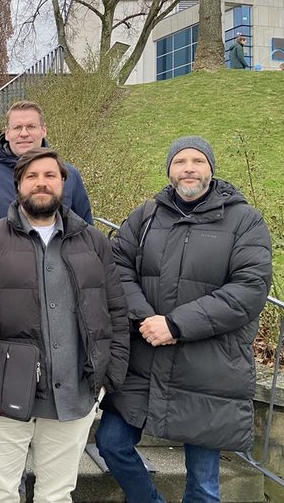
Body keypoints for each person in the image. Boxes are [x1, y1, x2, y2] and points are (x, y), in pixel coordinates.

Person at [95, 136, 273, 503]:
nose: (189, 168)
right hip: (144, 362)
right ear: (169, 170)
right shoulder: (145, 216)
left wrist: (176, 325)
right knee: (111, 444)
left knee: (204, 485)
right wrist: (147, 318)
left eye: (197, 161)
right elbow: (116, 268)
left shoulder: (245, 221)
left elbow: (249, 289)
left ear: (211, 168)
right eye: (180, 161)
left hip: (209, 370)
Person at [0, 148, 129, 503]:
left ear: (64, 183)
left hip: (74, 393)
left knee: (58, 493)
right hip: (2, 394)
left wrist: (108, 377)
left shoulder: (92, 241)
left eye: (50, 175)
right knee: (1, 491)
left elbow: (115, 312)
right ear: (18, 185)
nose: (41, 183)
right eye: (31, 176)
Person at [0, 100, 92, 264]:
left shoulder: (69, 176)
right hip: (2, 279)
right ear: (7, 133)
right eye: (17, 127)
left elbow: (86, 235)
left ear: (44, 130)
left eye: (31, 126)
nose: (24, 133)